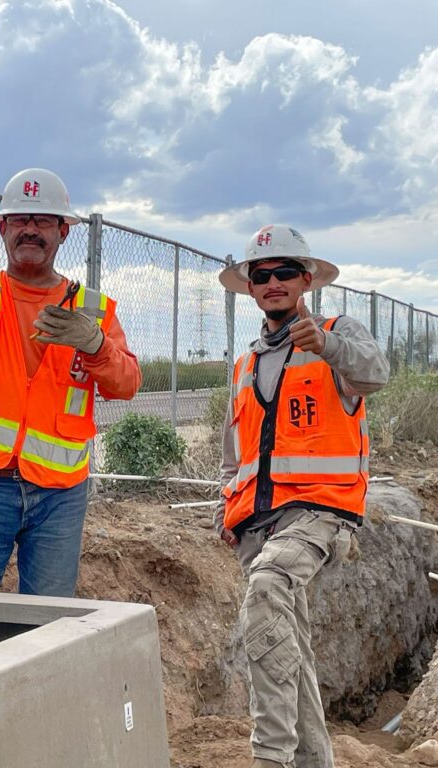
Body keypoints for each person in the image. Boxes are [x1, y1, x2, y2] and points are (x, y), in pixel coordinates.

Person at [0, 168, 141, 597]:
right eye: (20, 220)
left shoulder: (94, 311)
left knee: (45, 626)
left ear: (63, 232)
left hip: (60, 494)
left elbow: (127, 384)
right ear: (2, 229)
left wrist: (96, 346)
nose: (30, 231)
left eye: (42, 222)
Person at [216, 225, 390, 768]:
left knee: (269, 589)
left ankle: (271, 757)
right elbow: (234, 449)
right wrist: (225, 506)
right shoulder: (246, 365)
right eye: (261, 275)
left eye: (284, 272)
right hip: (258, 524)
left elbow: (376, 374)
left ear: (306, 280)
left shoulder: (337, 334)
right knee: (291, 648)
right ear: (249, 287)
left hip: (321, 511)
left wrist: (329, 345)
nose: (272, 282)